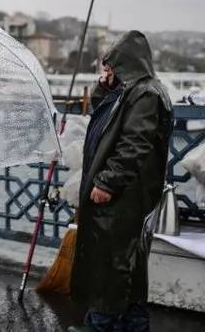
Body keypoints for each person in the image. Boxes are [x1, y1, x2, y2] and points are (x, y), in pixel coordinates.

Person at [70, 31, 173, 332]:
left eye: (111, 66)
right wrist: (104, 91)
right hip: (122, 200)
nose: (107, 71)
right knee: (125, 275)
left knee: (111, 275)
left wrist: (108, 182)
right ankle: (126, 324)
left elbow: (134, 143)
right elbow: (107, 121)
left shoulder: (146, 94)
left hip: (122, 201)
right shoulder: (132, 91)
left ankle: (100, 325)